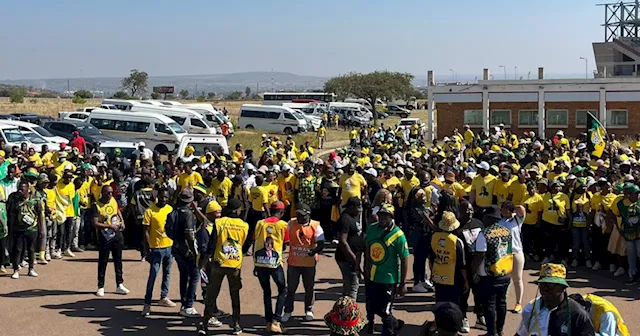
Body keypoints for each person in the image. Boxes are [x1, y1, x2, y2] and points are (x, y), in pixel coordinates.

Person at [198, 198, 249, 335]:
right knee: (235, 295)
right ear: (237, 210)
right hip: (235, 264)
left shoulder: (219, 222)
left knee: (211, 295)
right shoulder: (244, 225)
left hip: (218, 263)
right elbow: (244, 244)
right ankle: (236, 325)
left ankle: (204, 325)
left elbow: (212, 243)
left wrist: (204, 262)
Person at [364, 203, 408, 336]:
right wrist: (365, 266)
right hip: (372, 276)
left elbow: (404, 258)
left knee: (385, 310)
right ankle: (394, 324)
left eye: (385, 216)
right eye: (380, 215)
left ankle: (389, 331)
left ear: (391, 217)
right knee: (372, 306)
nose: (382, 219)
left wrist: (403, 283)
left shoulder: (398, 235)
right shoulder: (372, 229)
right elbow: (368, 248)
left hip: (389, 279)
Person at [515, 263, 595, 336]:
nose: (546, 291)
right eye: (542, 286)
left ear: (563, 288)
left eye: (551, 286)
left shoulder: (578, 315)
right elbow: (520, 334)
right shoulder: (531, 308)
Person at [472, 206, 512, 336]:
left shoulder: (484, 234)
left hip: (489, 276)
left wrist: (473, 271)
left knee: (489, 305)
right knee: (501, 303)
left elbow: (480, 255)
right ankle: (499, 331)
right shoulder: (507, 231)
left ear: (488, 218)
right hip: (505, 273)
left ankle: (491, 333)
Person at [283, 203, 325, 323]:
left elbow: (321, 243)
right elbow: (284, 237)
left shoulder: (315, 226)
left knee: (309, 288)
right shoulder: (291, 223)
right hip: (293, 262)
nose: (299, 218)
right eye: (298, 215)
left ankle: (308, 310)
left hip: (309, 263)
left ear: (308, 215)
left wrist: (315, 251)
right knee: (291, 288)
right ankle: (288, 311)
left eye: (302, 216)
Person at [253, 201, 289, 334]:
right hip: (275, 263)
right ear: (282, 212)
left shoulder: (260, 223)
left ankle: (269, 321)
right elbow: (286, 244)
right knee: (282, 289)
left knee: (266, 292)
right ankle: (276, 319)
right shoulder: (283, 225)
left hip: (260, 262)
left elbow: (255, 240)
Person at [141, 188, 176, 316]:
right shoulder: (150, 211)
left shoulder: (170, 209)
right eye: (162, 197)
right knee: (153, 275)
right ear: (157, 197)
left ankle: (164, 297)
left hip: (169, 246)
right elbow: (145, 230)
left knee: (167, 273)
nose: (164, 200)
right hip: (156, 248)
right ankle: (147, 303)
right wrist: (147, 248)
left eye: (166, 197)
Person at [92, 185, 129, 297]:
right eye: (108, 193)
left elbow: (117, 210)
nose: (110, 195)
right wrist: (109, 226)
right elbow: (95, 223)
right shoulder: (96, 206)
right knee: (103, 261)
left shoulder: (112, 200)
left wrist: (122, 221)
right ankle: (101, 286)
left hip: (117, 235)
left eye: (111, 192)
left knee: (118, 261)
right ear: (102, 193)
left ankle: (119, 284)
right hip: (104, 236)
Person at [171, 189, 201, 318]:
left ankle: (184, 304)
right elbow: (189, 233)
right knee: (195, 276)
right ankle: (188, 306)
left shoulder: (173, 212)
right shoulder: (188, 214)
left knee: (183, 275)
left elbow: (168, 230)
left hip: (176, 248)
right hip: (187, 250)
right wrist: (193, 250)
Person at [429, 211, 468, 306]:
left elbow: (431, 259)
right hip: (454, 278)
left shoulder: (434, 237)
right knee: (453, 306)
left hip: (438, 277)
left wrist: (432, 273)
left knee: (440, 304)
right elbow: (462, 265)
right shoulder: (456, 241)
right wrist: (466, 281)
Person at [8, 180, 44, 279]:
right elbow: (10, 212)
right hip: (18, 229)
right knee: (18, 249)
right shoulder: (14, 198)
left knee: (31, 249)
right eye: (19, 187)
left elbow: (40, 214)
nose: (20, 190)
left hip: (32, 228)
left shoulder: (35, 199)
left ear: (27, 189)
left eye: (22, 188)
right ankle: (16, 269)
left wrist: (41, 229)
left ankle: (31, 269)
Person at [336, 196, 364, 299]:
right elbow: (343, 241)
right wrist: (354, 260)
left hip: (353, 258)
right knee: (352, 286)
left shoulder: (355, 217)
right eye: (359, 207)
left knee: (349, 287)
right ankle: (350, 312)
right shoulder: (345, 219)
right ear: (352, 207)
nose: (360, 210)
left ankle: (345, 311)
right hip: (345, 258)